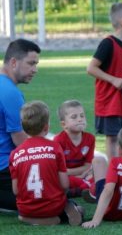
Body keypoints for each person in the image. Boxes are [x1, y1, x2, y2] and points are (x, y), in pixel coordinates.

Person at [9, 101, 84, 226]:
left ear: (22, 125)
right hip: (53, 206)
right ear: (47, 126)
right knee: (76, 206)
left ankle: (28, 218)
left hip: (27, 209)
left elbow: (16, 190)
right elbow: (64, 184)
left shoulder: (15, 154)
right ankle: (68, 212)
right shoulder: (55, 148)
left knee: (21, 210)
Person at [87, 2, 122, 162]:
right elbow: (91, 68)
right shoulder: (108, 44)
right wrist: (113, 80)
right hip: (109, 102)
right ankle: (114, 169)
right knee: (112, 138)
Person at [0, 39, 41, 210]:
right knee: (50, 193)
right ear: (14, 62)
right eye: (31, 63)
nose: (35, 70)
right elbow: (23, 144)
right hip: (4, 168)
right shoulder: (11, 93)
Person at [53, 100, 95, 198]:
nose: (80, 119)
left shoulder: (90, 138)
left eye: (82, 116)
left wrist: (81, 175)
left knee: (100, 171)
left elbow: (87, 166)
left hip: (83, 174)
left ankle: (78, 190)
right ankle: (86, 187)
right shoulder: (58, 141)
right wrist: (78, 176)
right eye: (74, 117)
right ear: (63, 124)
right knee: (58, 180)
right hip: (66, 176)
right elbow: (58, 170)